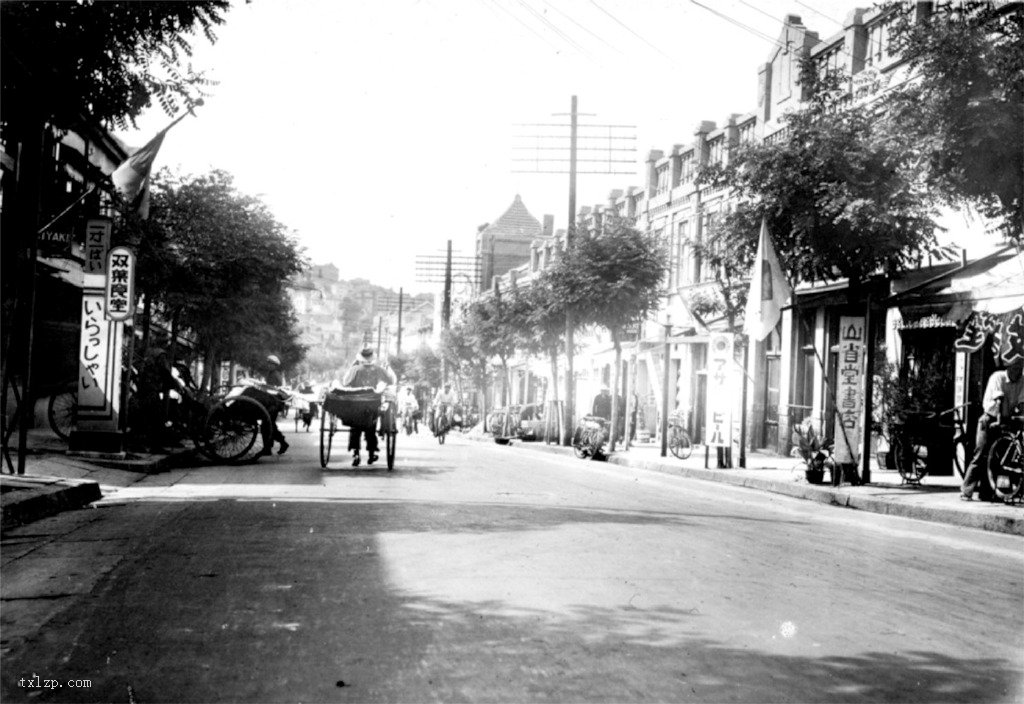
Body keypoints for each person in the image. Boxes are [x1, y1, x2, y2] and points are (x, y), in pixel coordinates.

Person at [961, 358, 1024, 501]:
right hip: (990, 417)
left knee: (1000, 457)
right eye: (1016, 369)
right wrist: (998, 422)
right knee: (980, 453)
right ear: (1008, 368)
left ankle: (989, 492)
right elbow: (998, 401)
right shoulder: (998, 377)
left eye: (1020, 369)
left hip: (1007, 418)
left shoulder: (1022, 380)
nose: (1018, 372)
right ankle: (966, 490)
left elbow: (1021, 403)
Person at [342, 348, 396, 466]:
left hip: (356, 403)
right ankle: (371, 453)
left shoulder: (354, 369)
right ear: (372, 357)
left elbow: (345, 382)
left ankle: (356, 453)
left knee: (355, 429)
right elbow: (391, 381)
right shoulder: (378, 369)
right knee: (370, 428)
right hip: (372, 402)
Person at [248, 354, 289, 456]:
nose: (269, 365)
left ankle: (269, 447)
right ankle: (278, 444)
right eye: (268, 363)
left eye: (271, 364)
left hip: (273, 403)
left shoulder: (275, 374)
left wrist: (264, 387)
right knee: (270, 425)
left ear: (275, 365)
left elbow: (276, 389)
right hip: (271, 402)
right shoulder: (271, 374)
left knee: (267, 425)